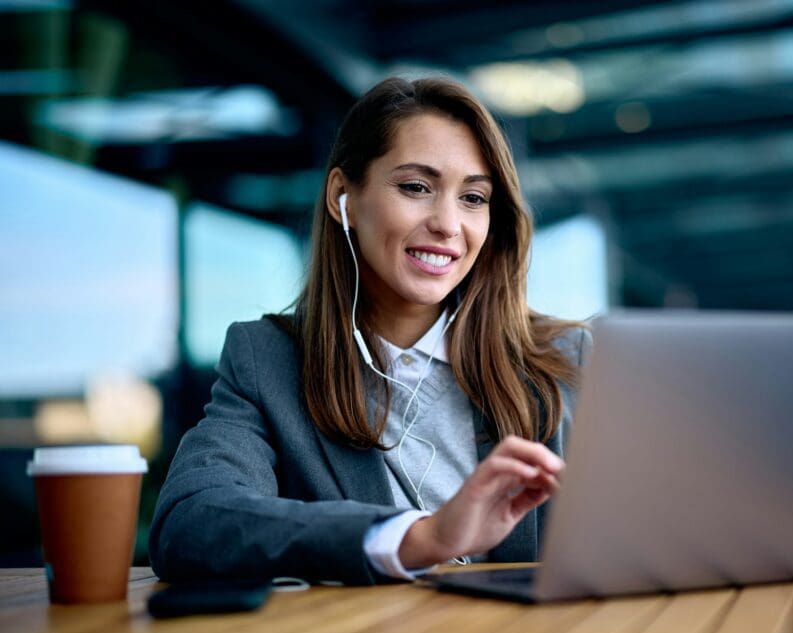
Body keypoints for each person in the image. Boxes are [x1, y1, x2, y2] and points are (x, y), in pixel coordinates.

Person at [149, 76, 590, 585]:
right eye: (416, 188)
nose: (449, 224)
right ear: (345, 198)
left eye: (473, 197)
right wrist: (417, 539)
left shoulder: (565, 359)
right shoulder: (267, 361)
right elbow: (191, 523)